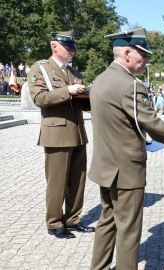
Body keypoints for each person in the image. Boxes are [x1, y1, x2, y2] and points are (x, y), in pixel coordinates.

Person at [88, 28, 164, 270]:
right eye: (144, 55)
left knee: (107, 221)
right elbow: (154, 126)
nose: (147, 60)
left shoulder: (100, 79)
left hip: (105, 166)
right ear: (127, 53)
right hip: (126, 170)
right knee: (128, 230)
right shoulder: (130, 85)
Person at [28, 31, 93, 239]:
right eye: (68, 47)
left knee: (78, 179)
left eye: (73, 47)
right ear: (54, 46)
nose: (73, 51)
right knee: (57, 181)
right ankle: (54, 222)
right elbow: (39, 98)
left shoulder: (74, 71)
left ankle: (73, 219)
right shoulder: (41, 69)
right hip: (56, 133)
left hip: (77, 132)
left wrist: (94, 95)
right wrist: (69, 90)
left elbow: (82, 104)